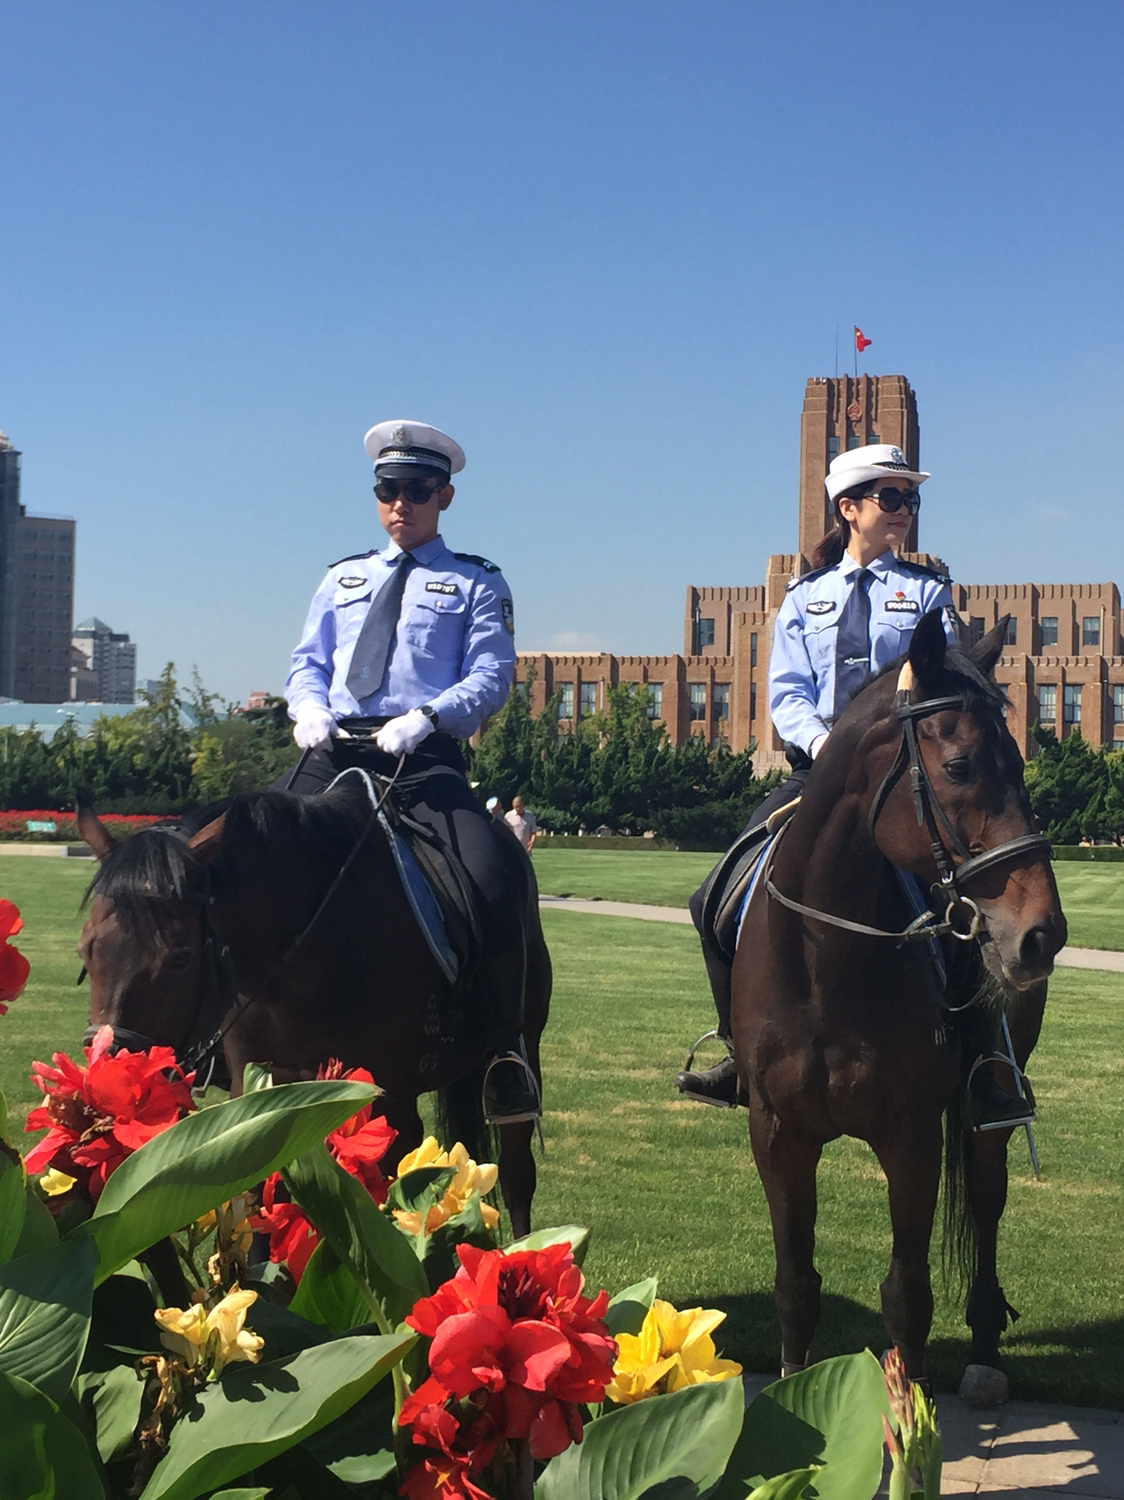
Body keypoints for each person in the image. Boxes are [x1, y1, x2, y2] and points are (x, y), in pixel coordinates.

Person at [676, 444, 1032, 1129]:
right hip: (817, 778)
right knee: (711, 897)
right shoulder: (804, 599)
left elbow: (944, 687)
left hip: (904, 785)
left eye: (910, 500)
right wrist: (825, 747)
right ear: (850, 509)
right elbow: (785, 692)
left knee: (959, 911)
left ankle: (987, 1063)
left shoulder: (927, 594)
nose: (904, 512)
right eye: (891, 499)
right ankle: (737, 1051)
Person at [283, 419, 539, 1122]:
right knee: (241, 852)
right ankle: (221, 1037)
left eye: (419, 491)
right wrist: (305, 707)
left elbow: (492, 673)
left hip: (421, 758)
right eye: (389, 490)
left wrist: (428, 717)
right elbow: (308, 662)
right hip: (332, 749)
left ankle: (504, 1053)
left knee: (492, 876)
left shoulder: (476, 581)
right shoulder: (342, 577)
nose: (403, 504)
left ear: (445, 496)